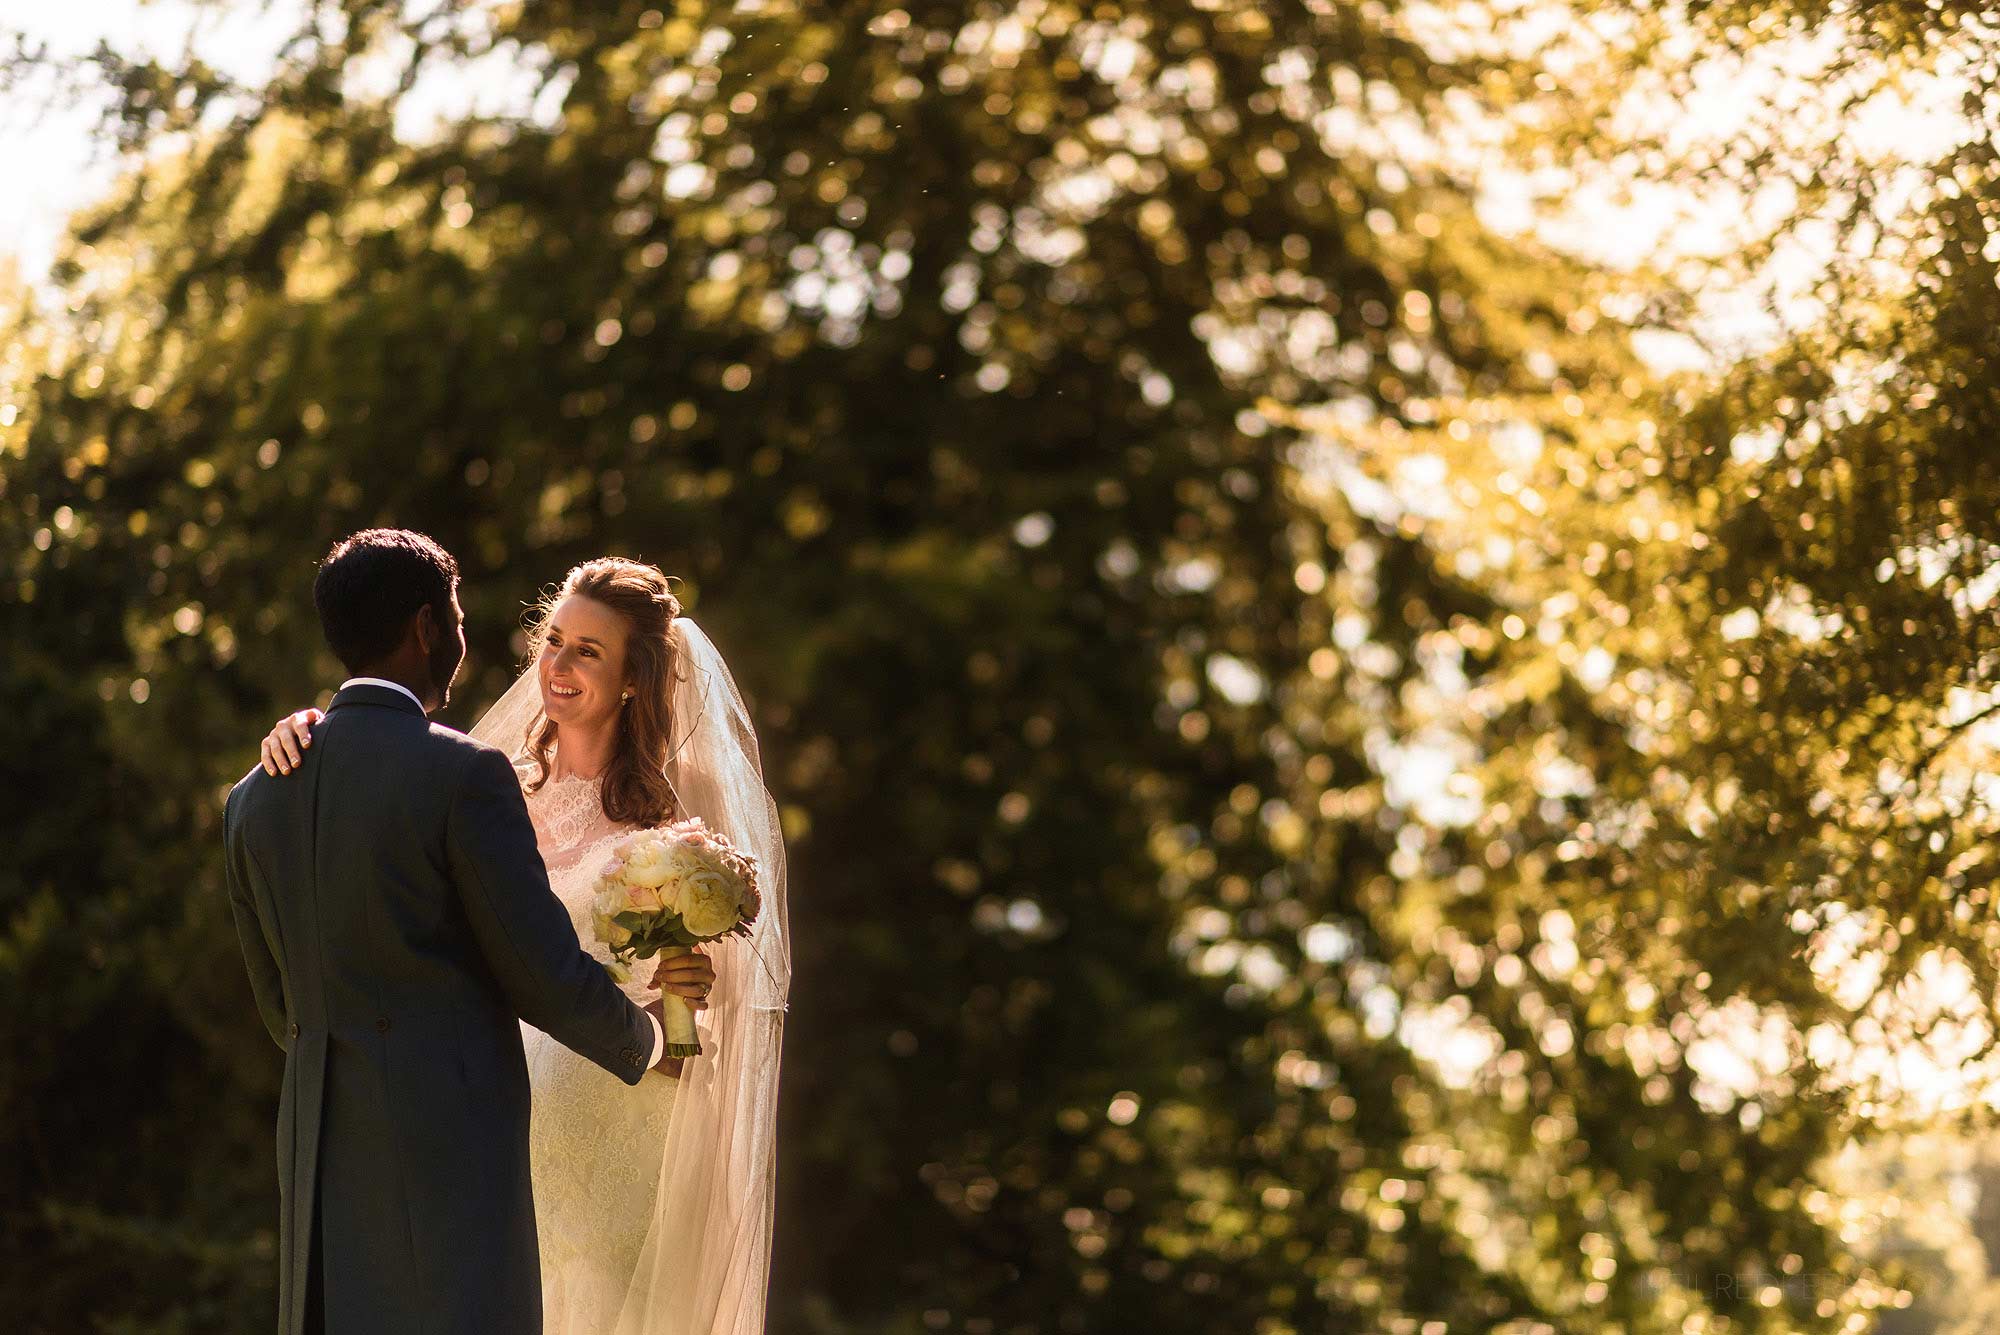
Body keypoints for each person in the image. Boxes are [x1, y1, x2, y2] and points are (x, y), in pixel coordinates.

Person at [255, 551, 790, 1335]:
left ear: (635, 676)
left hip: (628, 1101)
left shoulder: (686, 796)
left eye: (589, 649)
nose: (559, 663)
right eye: (555, 639)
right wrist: (310, 727)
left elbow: (714, 981)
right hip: (501, 1110)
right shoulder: (489, 784)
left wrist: (680, 1003)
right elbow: (387, 775)